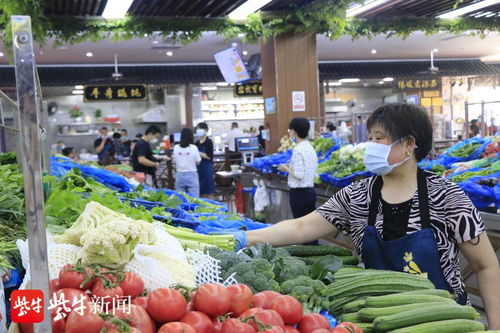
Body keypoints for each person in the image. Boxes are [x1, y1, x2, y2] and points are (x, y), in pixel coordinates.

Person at [236, 104, 500, 328]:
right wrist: (245, 237)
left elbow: (486, 266)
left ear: (408, 144)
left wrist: (496, 327)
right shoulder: (358, 195)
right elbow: (303, 227)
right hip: (378, 318)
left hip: (444, 321)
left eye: (378, 138)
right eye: (370, 138)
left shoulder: (446, 196)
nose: (369, 146)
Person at [278, 118, 318, 220]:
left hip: (300, 195)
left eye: (290, 130)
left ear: (294, 131)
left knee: (301, 228)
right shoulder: (310, 147)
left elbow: (299, 175)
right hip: (310, 192)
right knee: (310, 226)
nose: (289, 132)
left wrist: (286, 168)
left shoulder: (298, 149)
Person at [173, 128, 202, 197]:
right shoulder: (194, 147)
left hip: (179, 175)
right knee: (194, 199)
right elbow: (198, 162)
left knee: (180, 199)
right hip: (192, 174)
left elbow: (174, 160)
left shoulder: (176, 147)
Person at [195, 122, 216, 197]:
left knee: (208, 189)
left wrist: (198, 152)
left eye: (201, 128)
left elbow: (209, 157)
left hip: (207, 167)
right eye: (197, 129)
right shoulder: (196, 143)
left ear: (206, 130)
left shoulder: (209, 142)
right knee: (200, 190)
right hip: (198, 167)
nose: (199, 130)